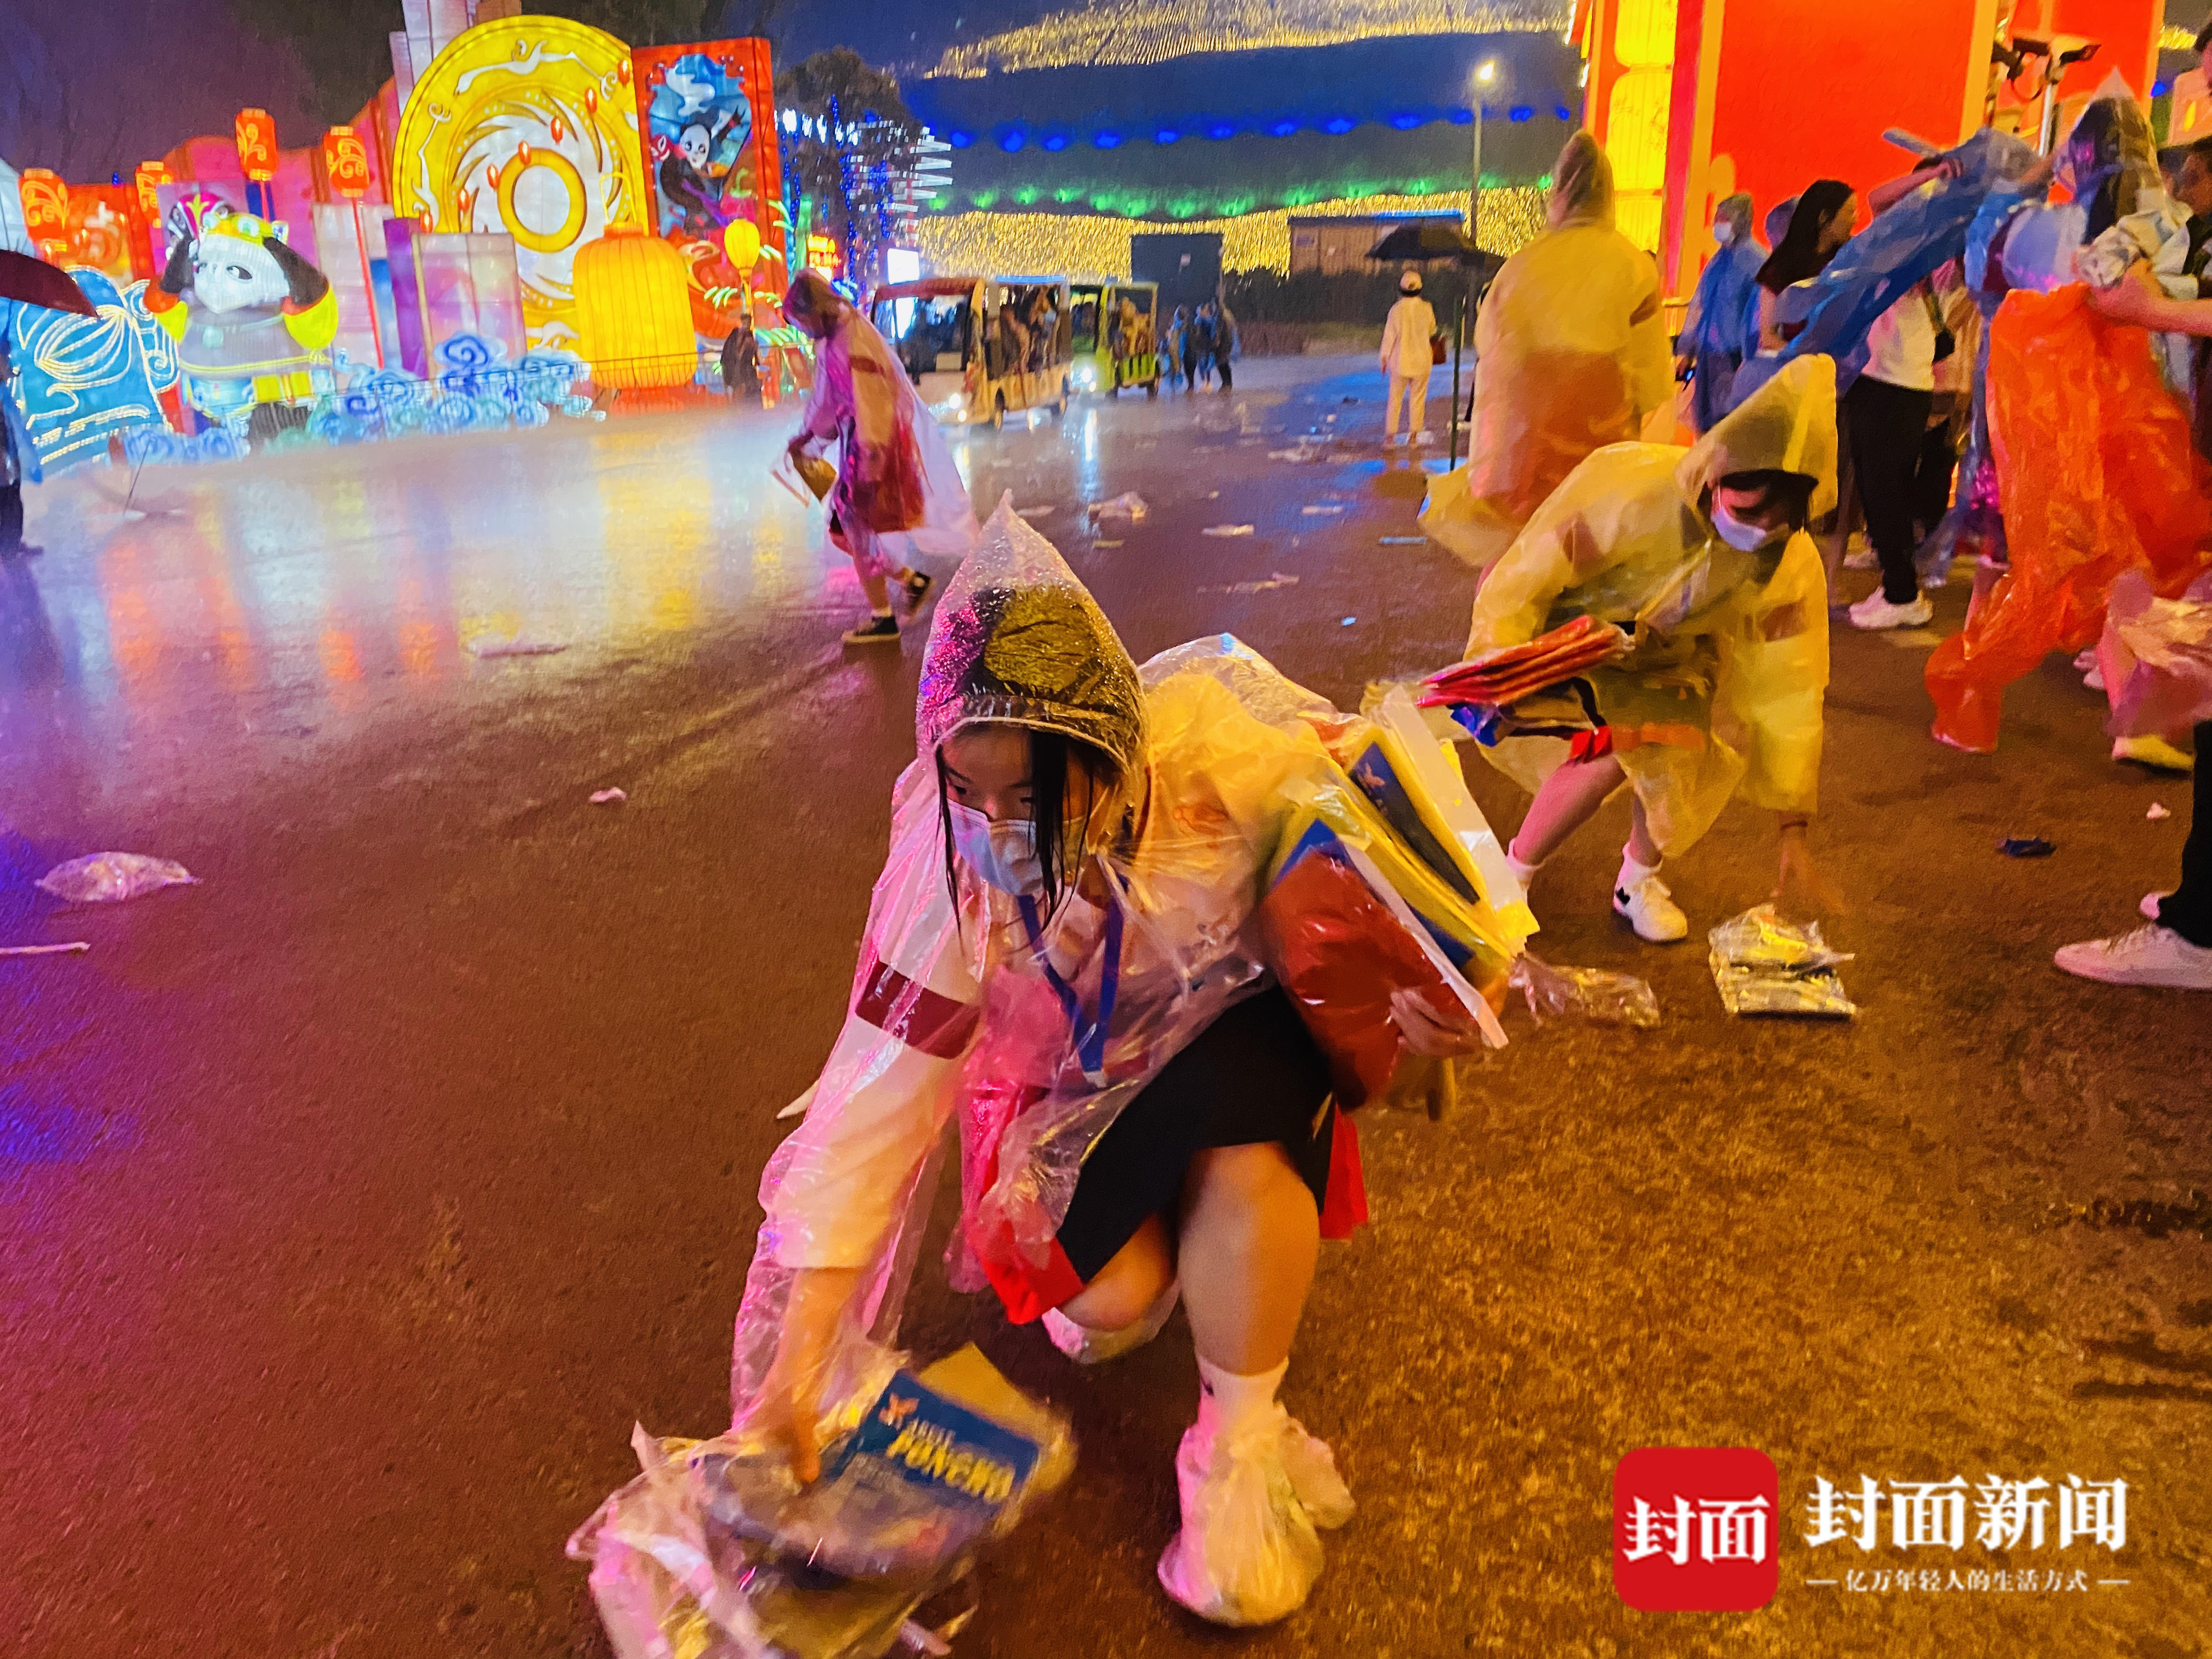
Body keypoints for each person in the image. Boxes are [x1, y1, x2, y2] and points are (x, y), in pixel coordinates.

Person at [732, 501, 1493, 1626]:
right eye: (969, 792)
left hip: (1234, 1052)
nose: (999, 829)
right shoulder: (945, 873)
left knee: (1244, 1156)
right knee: (1112, 1309)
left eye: (1034, 798)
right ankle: (1201, 1254)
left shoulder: (1222, 755)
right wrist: (795, 1365)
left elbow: (1403, 891)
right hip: (1070, 1094)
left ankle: (1239, 1446)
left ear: (1111, 749)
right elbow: (873, 1109)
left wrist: (1428, 1008)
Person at [1460, 356, 1840, 941]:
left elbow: (1792, 690)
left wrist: (1794, 829)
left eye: (1778, 520)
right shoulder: (1634, 491)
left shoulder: (1788, 567)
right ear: (1714, 476)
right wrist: (1500, 656)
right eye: (1746, 512)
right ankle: (1513, 875)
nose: (1758, 532)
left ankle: (1635, 879)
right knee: (1611, 749)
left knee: (1673, 746)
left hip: (1675, 651)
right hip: (1575, 632)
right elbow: (1530, 574)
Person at [1419, 130, 1673, 572]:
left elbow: (1493, 367)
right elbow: (1650, 386)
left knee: (1516, 598)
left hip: (1520, 479)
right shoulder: (1633, 267)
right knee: (1590, 602)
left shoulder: (1519, 268)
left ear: (1557, 192)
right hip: (1597, 482)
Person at [782, 270, 978, 645]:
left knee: (853, 525)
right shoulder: (834, 337)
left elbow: (872, 400)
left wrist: (870, 456)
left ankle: (883, 615)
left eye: (801, 322)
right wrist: (809, 438)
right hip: (859, 441)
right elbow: (828, 398)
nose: (803, 331)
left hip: (871, 444)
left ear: (813, 311)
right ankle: (907, 584)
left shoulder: (852, 339)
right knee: (850, 527)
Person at [1839, 274, 1940, 630]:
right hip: (1885, 378)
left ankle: (1903, 595)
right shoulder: (1892, 252)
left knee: (1886, 492)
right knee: (1879, 490)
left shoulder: (1907, 250)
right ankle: (1896, 587)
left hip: (1896, 383)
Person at [1677, 192, 1765, 435]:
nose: (1717, 225)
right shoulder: (1717, 261)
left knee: (1727, 427)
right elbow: (1700, 307)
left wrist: (1749, 362)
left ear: (1740, 221)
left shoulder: (1756, 262)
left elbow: (1758, 319)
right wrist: (1687, 351)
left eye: (1723, 219)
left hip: (1734, 358)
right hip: (1708, 356)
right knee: (1704, 424)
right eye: (1716, 219)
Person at [1752, 182, 1858, 352]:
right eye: (1849, 212)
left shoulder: (1851, 257)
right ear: (1824, 217)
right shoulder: (1782, 266)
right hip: (1802, 368)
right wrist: (1806, 360)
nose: (1855, 219)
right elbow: (1768, 337)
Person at [1379, 269, 1437, 447]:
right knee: (1418, 399)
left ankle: (1390, 438)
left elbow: (1389, 336)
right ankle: (1413, 437)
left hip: (1400, 362)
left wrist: (1384, 358)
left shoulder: (1396, 310)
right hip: (1422, 361)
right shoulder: (1427, 308)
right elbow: (1432, 330)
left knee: (1395, 399)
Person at [0, 329, 40, 559]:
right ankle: (8, 546)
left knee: (13, 493)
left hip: (7, 449)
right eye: (4, 359)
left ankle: (12, 542)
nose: (8, 363)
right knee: (7, 495)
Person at [719, 318, 759, 398]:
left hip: (740, 370)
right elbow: (757, 359)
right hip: (743, 371)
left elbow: (739, 356)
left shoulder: (738, 336)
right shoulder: (741, 336)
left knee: (742, 392)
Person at [1207, 298, 1237, 392]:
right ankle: (1228, 383)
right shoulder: (1225, 315)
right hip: (1228, 342)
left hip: (1222, 344)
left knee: (1221, 364)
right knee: (1225, 363)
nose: (1211, 307)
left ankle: (1226, 383)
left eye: (1212, 305)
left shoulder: (1219, 317)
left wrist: (1215, 342)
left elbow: (1218, 331)